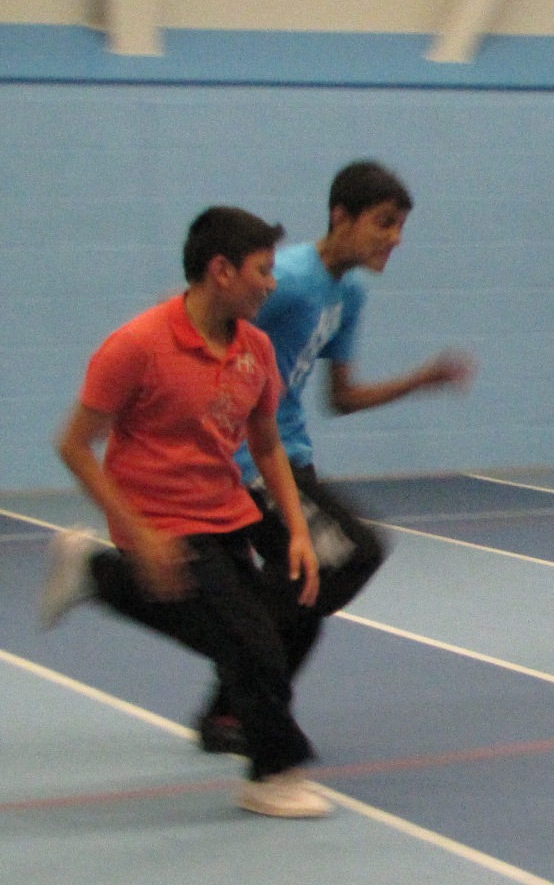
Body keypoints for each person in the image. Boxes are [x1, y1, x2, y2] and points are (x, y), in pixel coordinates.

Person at [38, 208, 331, 818]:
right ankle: (271, 774)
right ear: (220, 271)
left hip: (225, 508)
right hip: (158, 515)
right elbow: (74, 445)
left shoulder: (255, 348)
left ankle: (95, 573)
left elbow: (267, 443)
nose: (272, 283)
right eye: (262, 270)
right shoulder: (136, 345)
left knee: (268, 623)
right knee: (251, 644)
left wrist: (298, 530)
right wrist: (140, 535)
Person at [193, 160, 472, 755]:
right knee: (351, 556)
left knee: (309, 587)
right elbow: (204, 321)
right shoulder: (288, 280)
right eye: (383, 223)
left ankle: (229, 711)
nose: (394, 237)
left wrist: (420, 379)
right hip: (248, 463)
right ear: (339, 217)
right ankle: (236, 662)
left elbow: (340, 397)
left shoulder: (347, 293)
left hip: (293, 455)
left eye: (400, 227)